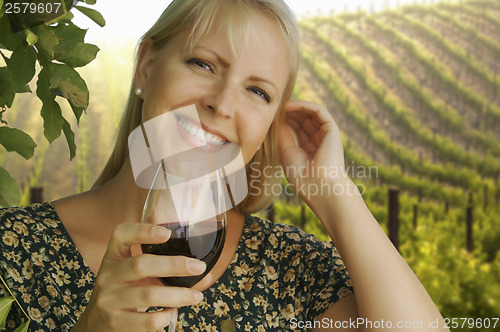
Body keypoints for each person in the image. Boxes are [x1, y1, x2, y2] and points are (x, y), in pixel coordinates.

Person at [0, 0, 449, 331]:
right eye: (203, 64)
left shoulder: (290, 267)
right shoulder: (10, 248)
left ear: (270, 123)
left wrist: (332, 190)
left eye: (258, 92)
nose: (221, 104)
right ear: (147, 65)